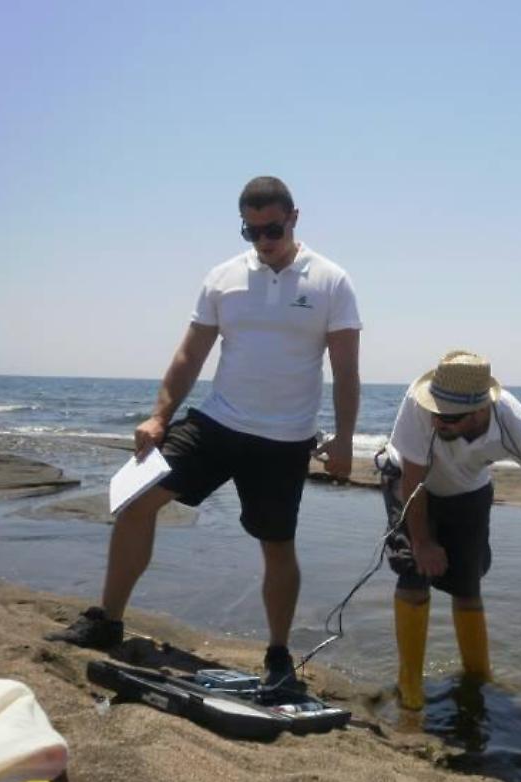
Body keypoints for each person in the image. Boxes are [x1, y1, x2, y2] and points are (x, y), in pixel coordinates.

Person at [46, 176, 361, 696]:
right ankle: (108, 619)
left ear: (294, 219)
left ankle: (278, 656)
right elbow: (190, 354)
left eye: (273, 229)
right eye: (251, 230)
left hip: (284, 440)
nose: (263, 240)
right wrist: (158, 415)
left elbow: (346, 371)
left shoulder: (331, 281)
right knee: (135, 501)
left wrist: (346, 440)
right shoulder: (223, 278)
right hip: (217, 423)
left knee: (277, 546)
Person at [378, 350, 521, 710]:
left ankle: (478, 676)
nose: (438, 422)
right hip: (409, 483)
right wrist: (422, 541)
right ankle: (410, 687)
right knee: (415, 574)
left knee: (467, 585)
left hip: (469, 490)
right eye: (435, 413)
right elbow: (412, 477)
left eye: (450, 418)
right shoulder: (418, 405)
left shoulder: (514, 422)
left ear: (480, 409)